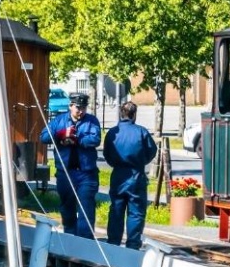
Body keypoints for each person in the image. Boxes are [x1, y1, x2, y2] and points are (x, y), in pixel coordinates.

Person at [40, 92, 102, 239]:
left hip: (86, 173)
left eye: (83, 108)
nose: (80, 111)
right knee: (67, 207)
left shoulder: (92, 121)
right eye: (77, 108)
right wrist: (60, 135)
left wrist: (76, 139)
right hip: (65, 173)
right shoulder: (59, 120)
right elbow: (43, 137)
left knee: (86, 207)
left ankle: (85, 240)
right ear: (70, 106)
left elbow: (95, 139)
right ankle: (69, 237)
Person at [103, 101, 158, 250]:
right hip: (136, 175)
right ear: (134, 115)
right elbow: (152, 151)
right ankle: (133, 245)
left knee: (116, 209)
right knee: (136, 212)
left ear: (121, 114)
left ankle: (113, 243)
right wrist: (141, 162)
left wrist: (115, 163)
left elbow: (106, 154)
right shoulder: (141, 132)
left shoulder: (113, 133)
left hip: (118, 175)